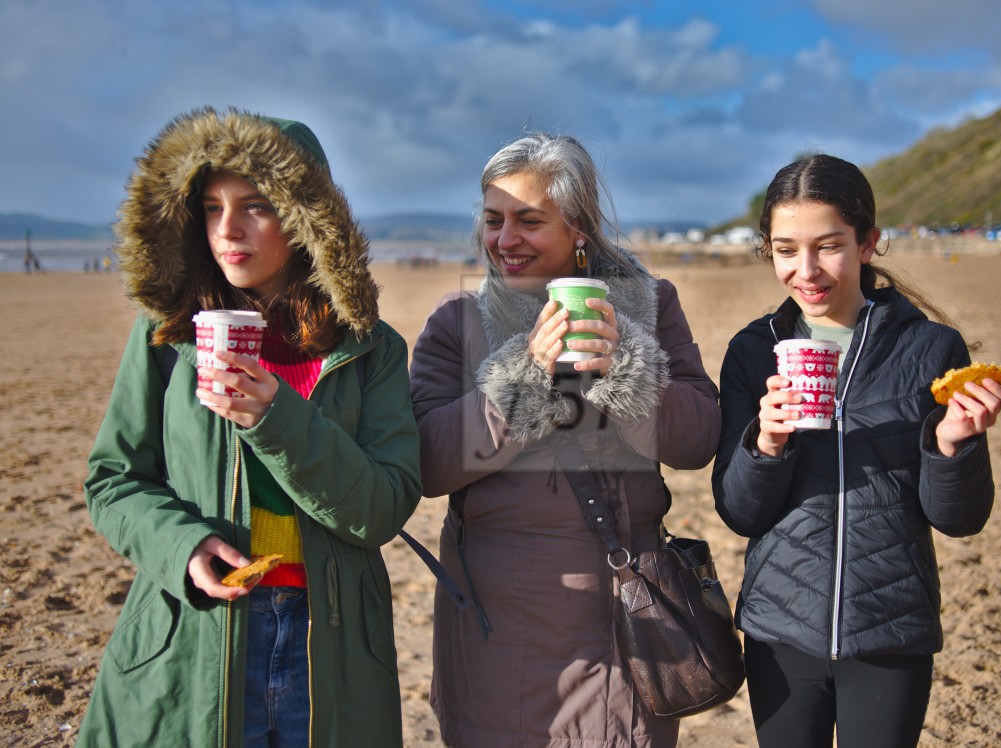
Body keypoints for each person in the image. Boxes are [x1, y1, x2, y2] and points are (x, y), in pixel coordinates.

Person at [80, 108, 422, 747]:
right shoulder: (166, 336)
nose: (227, 230)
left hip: (329, 646)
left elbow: (383, 508)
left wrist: (275, 417)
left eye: (255, 206)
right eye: (211, 207)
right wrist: (181, 546)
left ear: (304, 218)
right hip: (195, 631)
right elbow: (113, 480)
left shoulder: (371, 350)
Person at [410, 133, 720, 747]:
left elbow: (696, 440)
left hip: (625, 617)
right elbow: (428, 463)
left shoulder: (651, 307)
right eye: (494, 221)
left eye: (529, 221)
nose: (505, 240)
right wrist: (524, 375)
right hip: (493, 622)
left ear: (578, 227)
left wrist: (626, 361)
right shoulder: (457, 321)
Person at [713, 154, 1001, 748]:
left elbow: (960, 519)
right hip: (780, 626)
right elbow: (740, 512)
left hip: (892, 627)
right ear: (767, 250)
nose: (807, 270)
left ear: (869, 242)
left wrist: (952, 445)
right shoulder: (754, 349)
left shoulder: (930, 348)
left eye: (829, 246)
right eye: (786, 249)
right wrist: (766, 442)